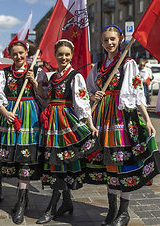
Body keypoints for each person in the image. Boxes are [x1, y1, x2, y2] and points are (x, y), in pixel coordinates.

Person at [85, 25, 160, 226]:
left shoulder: (127, 63)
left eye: (113, 39)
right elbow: (86, 91)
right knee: (109, 164)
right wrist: (93, 95)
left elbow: (136, 93)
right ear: (102, 42)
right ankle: (112, 209)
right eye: (106, 40)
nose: (109, 43)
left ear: (121, 39)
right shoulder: (97, 67)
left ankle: (124, 211)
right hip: (103, 119)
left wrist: (147, 119)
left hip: (122, 118)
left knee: (124, 162)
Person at [37, 39, 99, 224]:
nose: (63, 57)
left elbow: (82, 103)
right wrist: (35, 83)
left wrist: (90, 124)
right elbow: (45, 98)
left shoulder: (75, 76)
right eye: (60, 54)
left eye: (67, 54)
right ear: (55, 55)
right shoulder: (52, 77)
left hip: (66, 122)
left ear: (71, 56)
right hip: (52, 125)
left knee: (60, 163)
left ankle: (52, 207)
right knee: (56, 163)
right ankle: (67, 202)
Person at [0, 40, 48, 224]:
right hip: (11, 116)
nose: (18, 57)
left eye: (21, 53)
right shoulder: (3, 73)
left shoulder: (38, 71)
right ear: (10, 55)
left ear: (27, 53)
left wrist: (33, 81)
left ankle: (22, 203)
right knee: (12, 158)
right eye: (14, 54)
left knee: (26, 158)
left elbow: (45, 95)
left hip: (30, 117)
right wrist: (5, 112)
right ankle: (21, 198)